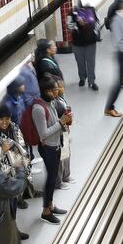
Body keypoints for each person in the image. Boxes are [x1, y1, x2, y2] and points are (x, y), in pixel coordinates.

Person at [32, 76, 73, 225]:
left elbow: (54, 123)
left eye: (57, 89)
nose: (57, 92)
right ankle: (46, 211)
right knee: (51, 179)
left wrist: (63, 119)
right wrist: (61, 122)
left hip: (55, 144)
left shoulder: (50, 102)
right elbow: (43, 133)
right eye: (54, 90)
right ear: (45, 91)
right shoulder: (38, 109)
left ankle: (50, 204)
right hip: (48, 148)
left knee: (53, 176)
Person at [0, 104, 32, 232]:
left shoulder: (15, 128)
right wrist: (2, 150)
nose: (4, 122)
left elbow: (22, 146)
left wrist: (24, 164)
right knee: (5, 208)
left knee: (13, 205)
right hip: (2, 178)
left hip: (16, 173)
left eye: (7, 118)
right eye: (1, 119)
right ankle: (10, 234)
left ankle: (14, 231)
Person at [49, 76, 75, 190]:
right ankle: (58, 182)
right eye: (60, 87)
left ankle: (66, 175)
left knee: (66, 153)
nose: (62, 89)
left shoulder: (60, 98)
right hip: (57, 131)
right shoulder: (52, 102)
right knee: (59, 157)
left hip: (64, 129)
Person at [68, 0, 100, 90]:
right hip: (77, 43)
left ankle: (92, 81)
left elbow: (98, 22)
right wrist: (77, 24)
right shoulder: (72, 13)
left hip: (90, 42)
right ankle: (82, 78)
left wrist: (90, 25)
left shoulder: (93, 10)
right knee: (80, 62)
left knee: (91, 63)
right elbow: (68, 25)